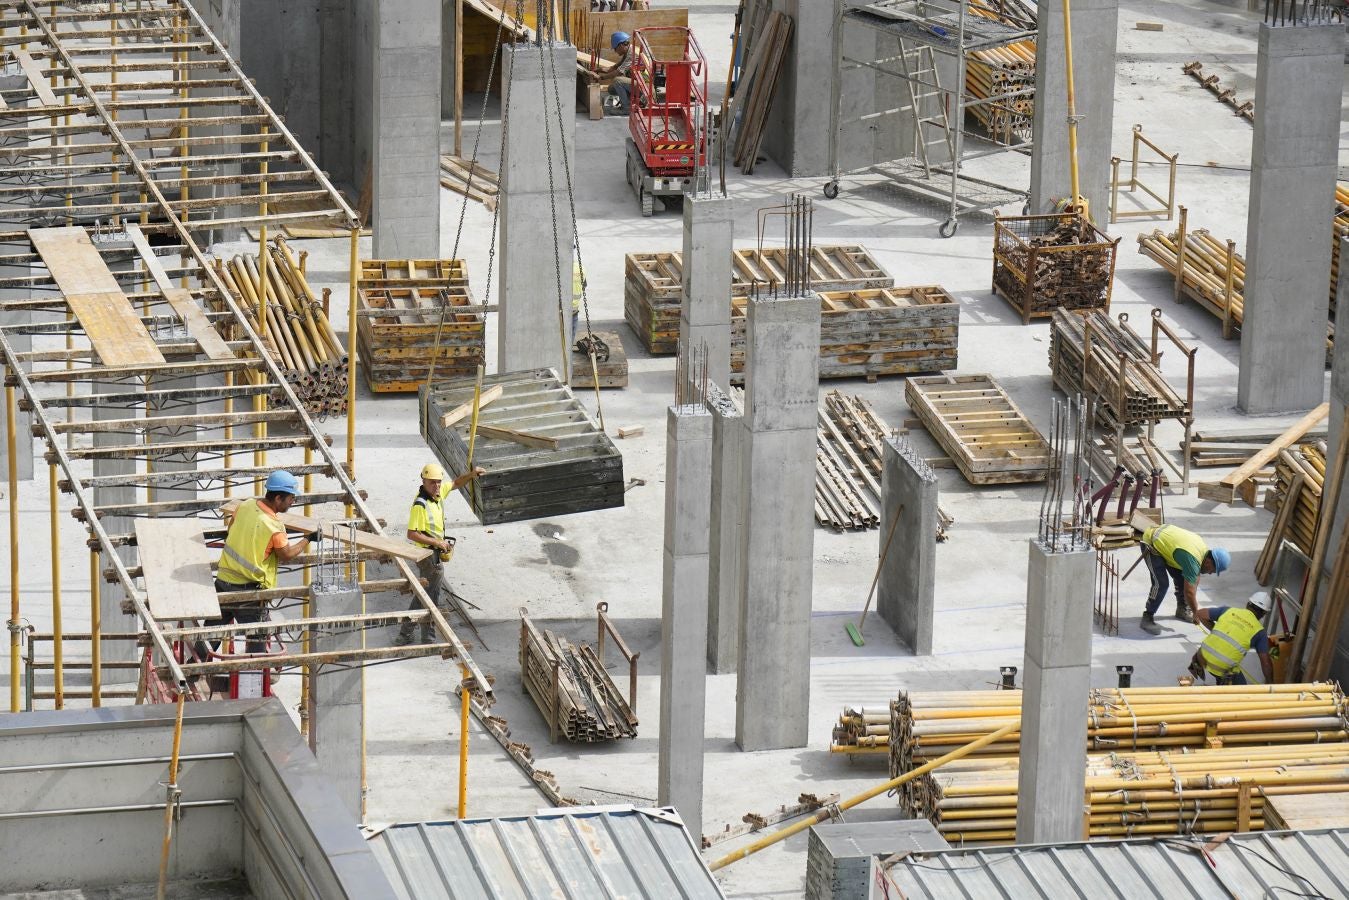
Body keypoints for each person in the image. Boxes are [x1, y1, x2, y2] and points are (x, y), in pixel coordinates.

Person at [211, 470, 317, 654]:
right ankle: (253, 679)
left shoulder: (246, 505)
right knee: (257, 639)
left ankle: (191, 669)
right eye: (291, 498)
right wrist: (308, 538)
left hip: (222, 581)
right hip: (247, 593)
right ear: (278, 498)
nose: (293, 502)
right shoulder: (273, 526)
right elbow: (286, 554)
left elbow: (231, 529)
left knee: (210, 633)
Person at [395, 462, 485, 646]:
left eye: (438, 482)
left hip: (433, 554)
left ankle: (409, 634)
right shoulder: (421, 504)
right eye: (432, 483)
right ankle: (418, 636)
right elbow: (411, 533)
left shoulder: (437, 494)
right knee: (429, 597)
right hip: (428, 556)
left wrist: (472, 474)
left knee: (427, 595)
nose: (436, 486)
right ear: (424, 481)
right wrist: (438, 542)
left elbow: (455, 484)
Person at [1138, 523, 1230, 634]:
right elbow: (1189, 592)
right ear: (1209, 562)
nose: (1210, 573)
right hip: (1152, 542)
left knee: (1182, 577)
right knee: (1161, 583)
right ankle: (1147, 616)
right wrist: (1196, 612)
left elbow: (1194, 579)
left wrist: (1194, 606)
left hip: (1166, 540)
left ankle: (1182, 609)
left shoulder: (1203, 552)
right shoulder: (1192, 560)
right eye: (1212, 570)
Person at [1187, 591, 1275, 685]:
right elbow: (1266, 664)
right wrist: (1271, 685)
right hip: (1220, 669)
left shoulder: (1229, 611)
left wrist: (1215, 630)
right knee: (1241, 692)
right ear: (1264, 613)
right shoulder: (1259, 632)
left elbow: (1200, 614)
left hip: (1201, 657)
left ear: (1248, 604)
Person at [597, 31, 633, 115]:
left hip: (645, 88)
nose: (615, 51)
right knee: (611, 88)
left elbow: (618, 73)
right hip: (637, 84)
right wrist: (598, 70)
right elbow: (614, 68)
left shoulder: (632, 54)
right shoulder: (628, 52)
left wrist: (601, 78)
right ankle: (630, 102)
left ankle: (626, 108)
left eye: (615, 49)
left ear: (620, 45)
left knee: (617, 80)